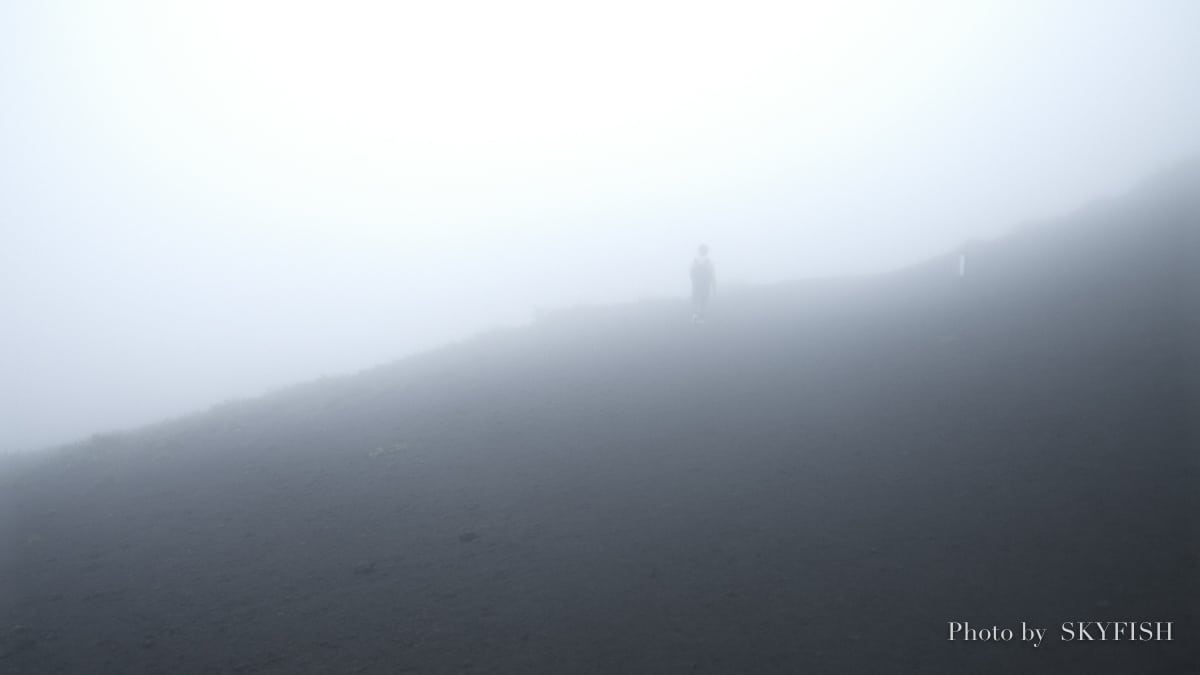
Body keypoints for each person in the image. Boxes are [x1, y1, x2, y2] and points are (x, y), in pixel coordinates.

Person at [690, 244, 716, 323]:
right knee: (703, 300)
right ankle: (700, 318)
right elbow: (712, 274)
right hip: (705, 284)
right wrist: (714, 286)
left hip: (697, 284)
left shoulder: (695, 261)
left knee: (697, 300)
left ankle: (696, 316)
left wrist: (694, 282)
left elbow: (691, 273)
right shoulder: (708, 262)